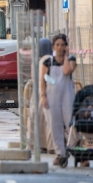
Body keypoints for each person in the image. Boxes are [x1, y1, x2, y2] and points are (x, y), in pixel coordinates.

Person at [40, 34, 77, 166]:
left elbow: (67, 71)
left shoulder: (71, 59)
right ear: (53, 47)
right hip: (52, 98)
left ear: (66, 46)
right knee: (55, 126)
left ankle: (79, 154)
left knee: (72, 125)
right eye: (57, 45)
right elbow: (42, 80)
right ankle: (60, 153)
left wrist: (66, 56)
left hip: (67, 97)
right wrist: (43, 96)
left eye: (63, 45)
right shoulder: (47, 62)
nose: (60, 47)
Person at [27, 38, 54, 154]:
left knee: (35, 119)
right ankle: (51, 147)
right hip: (48, 92)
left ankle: (37, 145)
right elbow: (49, 78)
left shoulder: (35, 61)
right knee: (49, 121)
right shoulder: (49, 60)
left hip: (36, 93)